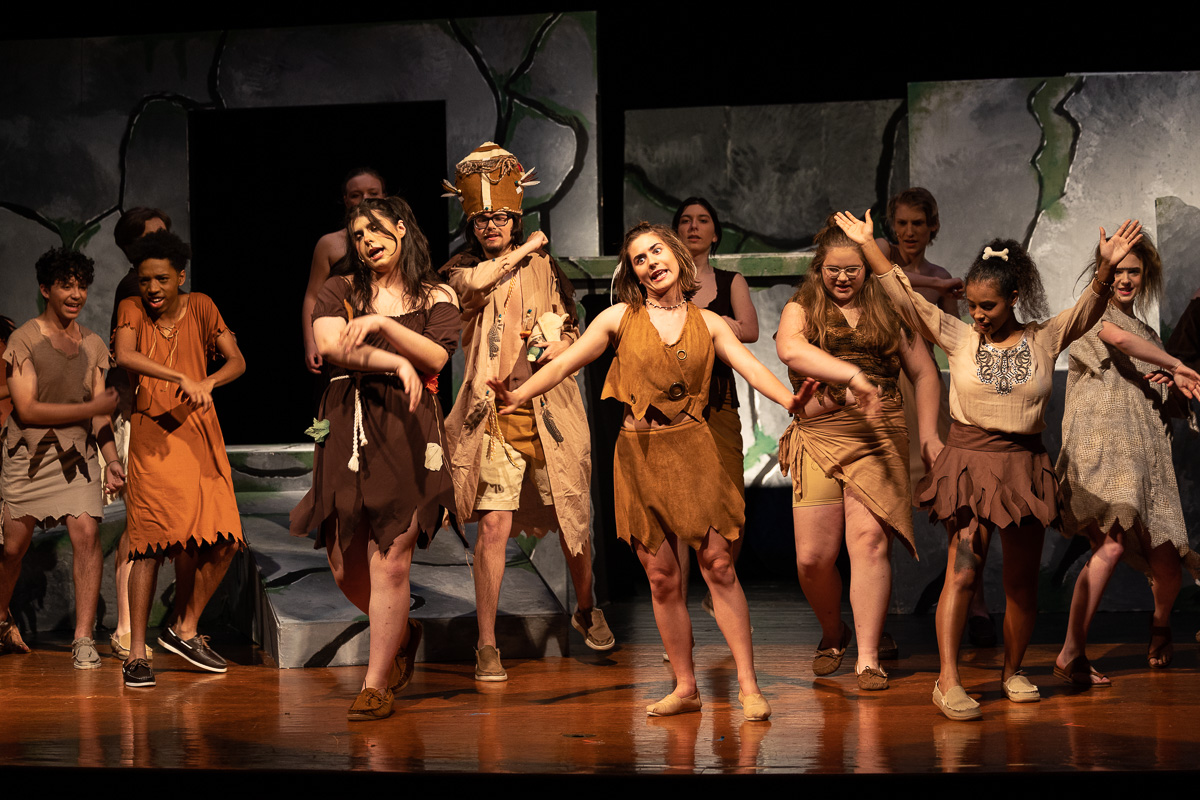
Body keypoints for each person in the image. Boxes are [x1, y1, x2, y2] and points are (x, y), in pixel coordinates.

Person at [490, 222, 880, 721]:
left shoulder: (710, 322)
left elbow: (751, 367)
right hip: (638, 457)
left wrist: (791, 401)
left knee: (718, 566)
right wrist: (519, 395)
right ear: (633, 273)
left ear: (676, 254)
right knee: (662, 579)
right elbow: (566, 364)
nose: (651, 262)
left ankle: (748, 686)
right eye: (639, 259)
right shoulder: (618, 318)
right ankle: (686, 686)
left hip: (694, 452)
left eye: (656, 251)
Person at [836, 208, 1143, 721]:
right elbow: (903, 295)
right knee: (962, 573)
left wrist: (1107, 268)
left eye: (988, 306)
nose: (977, 314)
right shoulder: (958, 336)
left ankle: (1013, 671)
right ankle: (947, 680)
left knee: (1021, 584)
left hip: (1023, 467)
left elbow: (1088, 308)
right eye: (972, 305)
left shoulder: (1044, 337)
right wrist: (868, 245)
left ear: (1013, 298)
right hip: (969, 465)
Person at [440, 142, 613, 683]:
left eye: (501, 217)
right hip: (492, 414)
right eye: (482, 218)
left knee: (570, 516)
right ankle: (486, 643)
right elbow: (473, 288)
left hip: (549, 411)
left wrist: (560, 342)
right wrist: (530, 245)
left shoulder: (546, 270)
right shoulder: (462, 270)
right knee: (494, 526)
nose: (492, 226)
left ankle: (586, 605)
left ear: (514, 217)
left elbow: (570, 329)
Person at [291, 196, 460, 721]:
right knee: (344, 563)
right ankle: (402, 633)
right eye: (358, 235)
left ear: (402, 229)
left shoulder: (437, 294)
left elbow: (436, 356)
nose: (366, 241)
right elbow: (330, 345)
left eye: (376, 229)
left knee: (391, 558)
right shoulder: (340, 288)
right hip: (349, 419)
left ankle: (375, 684)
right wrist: (394, 362)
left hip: (407, 423)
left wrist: (384, 328)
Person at [776, 219, 943, 691]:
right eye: (834, 269)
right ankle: (835, 632)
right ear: (819, 268)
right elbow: (790, 350)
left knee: (869, 543)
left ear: (867, 269)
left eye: (853, 269)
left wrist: (929, 436)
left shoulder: (889, 308)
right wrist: (850, 376)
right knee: (812, 559)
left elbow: (925, 373)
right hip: (820, 433)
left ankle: (868, 659)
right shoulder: (802, 307)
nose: (843, 278)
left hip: (879, 434)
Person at [1054, 234, 1200, 685]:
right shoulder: (1091, 312)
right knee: (1111, 544)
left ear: (1145, 275)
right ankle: (1070, 654)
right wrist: (1173, 363)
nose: (1124, 279)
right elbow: (1117, 338)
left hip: (1147, 457)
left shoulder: (1151, 337)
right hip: (1101, 450)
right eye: (1117, 270)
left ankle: (1160, 624)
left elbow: (1164, 396)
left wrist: (1173, 383)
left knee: (1168, 565)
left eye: (1132, 271)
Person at [112, 230, 246, 688]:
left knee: (226, 539)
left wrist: (208, 382)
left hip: (199, 435)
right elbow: (125, 354)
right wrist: (179, 376)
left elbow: (237, 361)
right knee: (149, 545)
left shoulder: (202, 306)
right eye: (145, 279)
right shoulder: (131, 309)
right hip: (153, 439)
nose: (152, 288)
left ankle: (184, 628)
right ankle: (136, 654)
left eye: (162, 279)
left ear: (181, 277)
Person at [1, 249, 124, 664]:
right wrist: (90, 409)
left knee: (86, 535)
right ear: (45, 289)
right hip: (29, 456)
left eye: (81, 286)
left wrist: (112, 460)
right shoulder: (24, 340)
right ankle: (0, 618)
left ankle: (83, 638)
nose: (76, 294)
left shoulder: (93, 345)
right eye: (66, 285)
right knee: (13, 549)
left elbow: (100, 415)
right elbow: (27, 410)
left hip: (76, 456)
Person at [670, 197, 758, 617]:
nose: (694, 227)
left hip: (719, 400)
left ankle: (719, 584)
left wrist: (706, 322)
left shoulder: (729, 280)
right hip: (672, 404)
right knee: (677, 509)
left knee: (732, 502)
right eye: (686, 221)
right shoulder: (661, 281)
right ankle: (676, 607)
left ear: (715, 233)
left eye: (703, 220)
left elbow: (750, 330)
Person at [107, 206, 171, 660]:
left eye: (165, 234)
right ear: (132, 248)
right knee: (138, 524)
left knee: (146, 523)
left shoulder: (158, 286)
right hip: (137, 413)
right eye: (152, 236)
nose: (161, 241)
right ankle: (125, 629)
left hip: (157, 412)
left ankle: (130, 627)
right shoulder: (135, 289)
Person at [302, 168, 387, 374]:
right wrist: (311, 343)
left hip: (388, 333)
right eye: (356, 195)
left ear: (384, 197)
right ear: (346, 200)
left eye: (373, 193)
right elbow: (313, 296)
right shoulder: (330, 244)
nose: (365, 199)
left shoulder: (397, 240)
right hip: (343, 340)